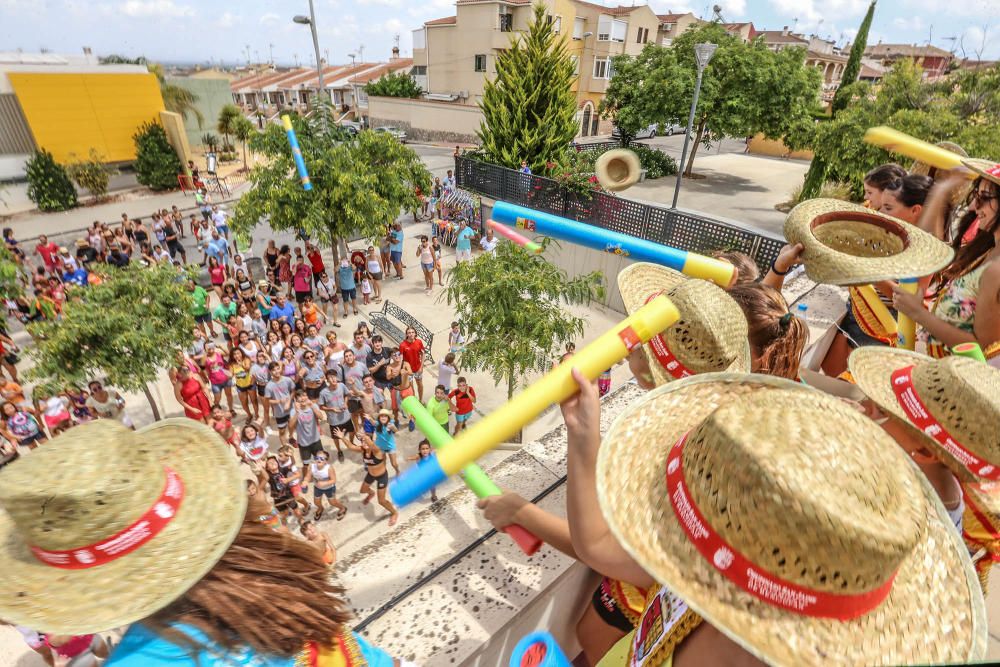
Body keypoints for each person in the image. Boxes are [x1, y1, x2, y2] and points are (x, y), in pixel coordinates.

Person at [556, 368, 984, 666]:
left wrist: (583, 434)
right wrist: (582, 432)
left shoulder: (718, 566)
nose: (864, 408)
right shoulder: (733, 571)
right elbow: (597, 544)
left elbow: (597, 545)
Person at [897, 163, 1000, 363]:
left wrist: (918, 313)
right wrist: (941, 190)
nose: (973, 206)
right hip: (945, 371)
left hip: (959, 383)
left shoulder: (996, 269)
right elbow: (928, 242)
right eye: (975, 196)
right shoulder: (986, 249)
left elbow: (981, 348)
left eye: (984, 198)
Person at [336, 427, 399, 526]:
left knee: (381, 501)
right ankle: (371, 493)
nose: (363, 443)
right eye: (361, 441)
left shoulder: (378, 451)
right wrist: (342, 437)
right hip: (371, 474)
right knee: (362, 490)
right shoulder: (363, 450)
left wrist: (365, 436)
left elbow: (373, 445)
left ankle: (394, 513)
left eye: (365, 441)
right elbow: (351, 447)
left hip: (382, 476)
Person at [302, 448, 348, 521]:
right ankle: (320, 508)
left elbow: (334, 480)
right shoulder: (312, 467)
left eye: (322, 459)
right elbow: (308, 476)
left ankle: (342, 508)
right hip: (317, 488)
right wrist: (305, 481)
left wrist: (324, 483)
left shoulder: (329, 468)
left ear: (326, 461)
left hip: (329, 488)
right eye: (317, 458)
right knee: (316, 502)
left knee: (332, 502)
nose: (319, 460)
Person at [319, 369, 352, 461]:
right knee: (336, 437)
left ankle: (352, 443)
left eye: (334, 376)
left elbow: (347, 395)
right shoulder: (323, 393)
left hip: (346, 416)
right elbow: (321, 406)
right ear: (327, 380)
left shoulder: (342, 385)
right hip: (334, 420)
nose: (333, 379)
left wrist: (346, 403)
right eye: (330, 377)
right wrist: (331, 409)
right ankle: (339, 450)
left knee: (351, 431)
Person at [202, 342, 235, 414]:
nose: (210, 348)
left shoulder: (218, 353)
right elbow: (202, 367)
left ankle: (231, 409)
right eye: (208, 347)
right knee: (217, 399)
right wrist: (205, 377)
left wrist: (220, 346)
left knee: (229, 395)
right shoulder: (205, 358)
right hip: (215, 382)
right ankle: (216, 412)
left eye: (211, 346)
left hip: (226, 379)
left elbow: (229, 354)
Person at [398, 326, 427, 401]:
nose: (411, 334)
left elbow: (423, 354)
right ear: (407, 334)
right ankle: (415, 402)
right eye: (409, 333)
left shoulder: (419, 342)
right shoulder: (402, 345)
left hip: (418, 369)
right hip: (408, 371)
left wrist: (421, 367)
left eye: (412, 332)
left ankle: (420, 400)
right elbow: (401, 358)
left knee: (420, 385)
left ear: (415, 333)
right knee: (411, 387)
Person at [373, 408, 401, 476]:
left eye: (385, 416)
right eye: (381, 416)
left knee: (394, 464)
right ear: (379, 418)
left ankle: (398, 471)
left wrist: (392, 427)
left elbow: (396, 431)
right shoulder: (377, 424)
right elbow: (374, 431)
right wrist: (373, 439)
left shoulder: (390, 424)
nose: (383, 417)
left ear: (388, 418)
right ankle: (384, 475)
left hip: (390, 447)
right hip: (380, 447)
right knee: (383, 463)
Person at [229, 348, 254, 419]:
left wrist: (241, 364)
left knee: (254, 401)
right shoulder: (232, 364)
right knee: (244, 403)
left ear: (241, 353)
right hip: (240, 386)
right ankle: (249, 415)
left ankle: (257, 415)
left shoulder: (246, 359)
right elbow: (231, 374)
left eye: (238, 353)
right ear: (232, 356)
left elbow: (248, 368)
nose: (237, 355)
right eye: (234, 354)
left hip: (250, 384)